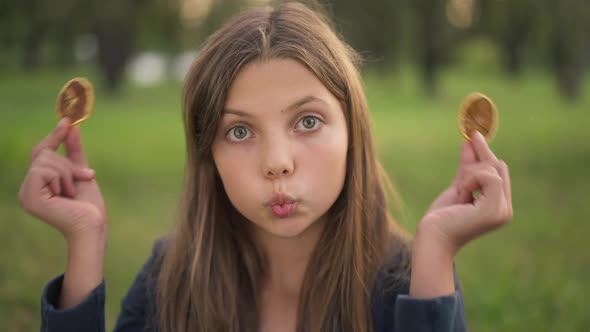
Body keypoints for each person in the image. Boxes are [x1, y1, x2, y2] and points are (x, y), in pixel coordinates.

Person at [18, 2, 512, 331]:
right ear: (206, 154)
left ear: (353, 133)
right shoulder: (170, 277)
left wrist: (437, 252)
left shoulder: (408, 281)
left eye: (308, 121)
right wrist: (84, 244)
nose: (276, 163)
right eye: (239, 131)